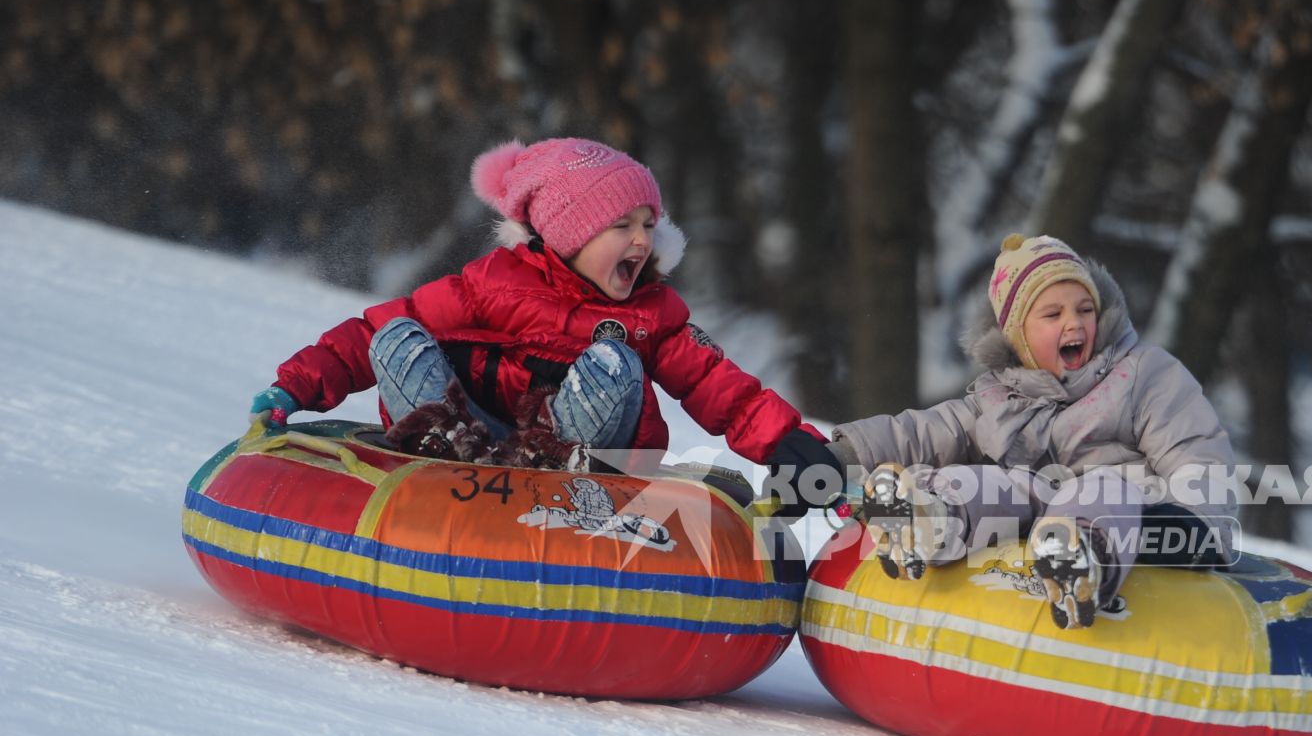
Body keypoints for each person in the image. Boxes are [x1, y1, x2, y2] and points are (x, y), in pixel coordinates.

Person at [248, 137, 842, 499]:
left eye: (648, 223)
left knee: (614, 362)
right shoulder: (490, 284)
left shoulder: (651, 313)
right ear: (568, 233)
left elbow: (721, 386)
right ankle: (445, 447)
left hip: (590, 458)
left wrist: (788, 444)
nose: (642, 241)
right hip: (480, 440)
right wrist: (296, 385)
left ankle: (559, 462)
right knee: (399, 336)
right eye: (621, 226)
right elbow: (371, 331)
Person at [827, 233, 1237, 629]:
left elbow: (1196, 452)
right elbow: (925, 431)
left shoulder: (1144, 374)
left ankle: (1077, 559)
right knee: (996, 483)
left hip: (1133, 518)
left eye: (1085, 309)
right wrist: (845, 455)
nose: (1074, 323)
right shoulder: (999, 398)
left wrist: (1197, 522)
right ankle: (927, 516)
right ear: (1017, 337)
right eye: (1053, 314)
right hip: (1039, 515)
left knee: (1103, 487)